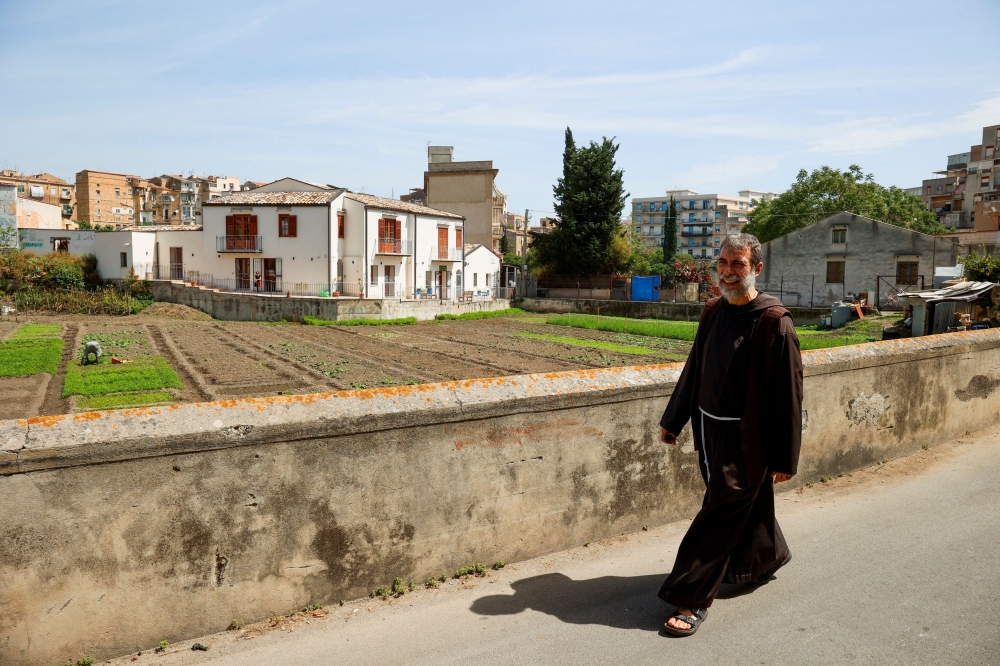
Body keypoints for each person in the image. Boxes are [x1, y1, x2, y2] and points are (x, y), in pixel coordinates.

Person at [658, 233, 803, 636]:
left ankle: (691, 596)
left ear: (756, 268)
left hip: (749, 439)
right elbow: (695, 367)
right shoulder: (712, 311)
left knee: (718, 513)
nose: (726, 271)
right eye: (722, 263)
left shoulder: (776, 322)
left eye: (736, 264)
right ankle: (766, 557)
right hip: (707, 430)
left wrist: (785, 457)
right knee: (741, 505)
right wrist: (675, 418)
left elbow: (789, 396)